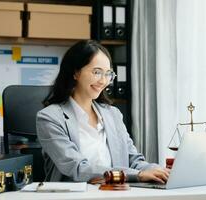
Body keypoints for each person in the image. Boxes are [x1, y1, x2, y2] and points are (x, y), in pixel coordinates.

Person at [36, 40, 169, 183]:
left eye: (108, 74)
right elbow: (77, 168)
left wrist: (160, 171)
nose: (103, 81)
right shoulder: (50, 118)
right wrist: (137, 175)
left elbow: (133, 160)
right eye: (97, 72)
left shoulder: (113, 114)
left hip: (117, 192)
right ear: (75, 72)